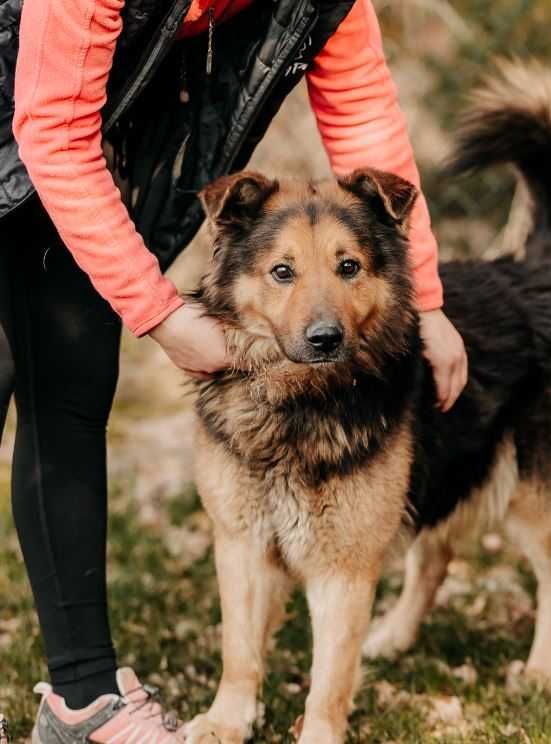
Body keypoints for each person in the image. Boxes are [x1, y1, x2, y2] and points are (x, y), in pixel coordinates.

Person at [0, 0, 468, 739]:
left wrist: (430, 303)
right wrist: (158, 312)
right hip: (40, 123)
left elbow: (365, 114)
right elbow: (50, 130)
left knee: (70, 390)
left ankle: (80, 698)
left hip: (81, 156)